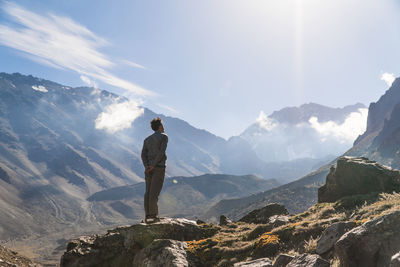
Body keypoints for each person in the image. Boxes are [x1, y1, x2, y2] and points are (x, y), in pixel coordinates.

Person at [141, 117, 168, 223]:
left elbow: (143, 154)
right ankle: (153, 215)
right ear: (160, 126)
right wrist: (153, 165)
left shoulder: (147, 140)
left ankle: (148, 215)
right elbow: (161, 152)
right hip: (159, 168)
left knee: (147, 192)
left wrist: (147, 166)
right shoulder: (164, 137)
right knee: (154, 192)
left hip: (148, 170)